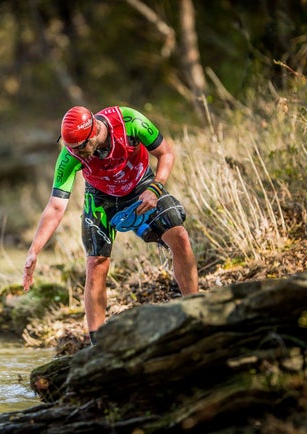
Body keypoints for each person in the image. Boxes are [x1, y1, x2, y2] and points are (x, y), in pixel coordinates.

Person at [22, 105, 199, 345]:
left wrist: (155, 188)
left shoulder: (129, 122)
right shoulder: (70, 155)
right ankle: (98, 343)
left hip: (141, 185)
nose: (75, 153)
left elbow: (166, 153)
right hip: (101, 199)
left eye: (80, 147)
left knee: (179, 235)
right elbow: (55, 206)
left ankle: (196, 312)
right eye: (70, 148)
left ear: (94, 132)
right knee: (96, 263)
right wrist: (34, 250)